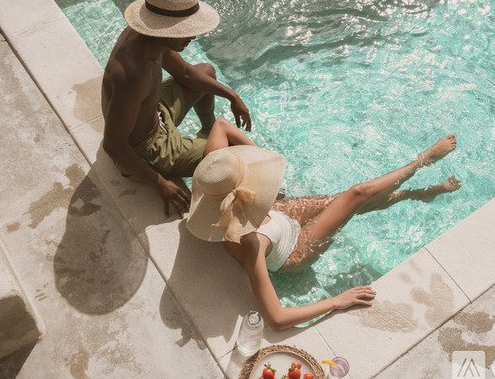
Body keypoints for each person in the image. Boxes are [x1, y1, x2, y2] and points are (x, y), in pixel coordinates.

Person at [186, 135, 461, 330]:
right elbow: (277, 318)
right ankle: (421, 163)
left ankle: (413, 194)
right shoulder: (252, 242)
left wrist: (256, 157)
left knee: (347, 203)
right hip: (293, 250)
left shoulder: (215, 179)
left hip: (278, 217)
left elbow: (221, 125)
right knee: (356, 195)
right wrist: (336, 301)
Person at [101, 0, 252, 217]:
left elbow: (186, 74)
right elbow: (113, 144)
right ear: (165, 29)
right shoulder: (132, 74)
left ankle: (208, 130)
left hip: (155, 112)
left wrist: (232, 96)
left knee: (206, 72)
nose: (193, 35)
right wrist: (159, 183)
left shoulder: (150, 39)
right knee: (234, 155)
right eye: (185, 30)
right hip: (150, 148)